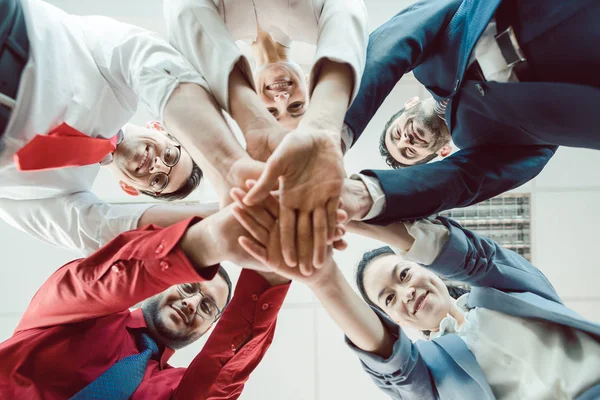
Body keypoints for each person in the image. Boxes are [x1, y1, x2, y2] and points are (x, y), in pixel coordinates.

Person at [232, 191, 600, 399]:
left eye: (404, 274)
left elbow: (476, 258)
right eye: (389, 299)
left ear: (427, 269)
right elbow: (391, 364)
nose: (406, 294)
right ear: (397, 320)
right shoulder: (430, 372)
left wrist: (343, 215)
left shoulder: (503, 292)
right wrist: (322, 276)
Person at [0, 0, 262, 255]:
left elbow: (95, 229)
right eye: (170, 155)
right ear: (160, 127)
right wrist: (228, 166)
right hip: (12, 28)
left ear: (129, 189)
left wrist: (220, 216)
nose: (158, 166)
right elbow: (148, 59)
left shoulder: (68, 194)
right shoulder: (120, 91)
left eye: (159, 180)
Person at [0, 199, 291, 399]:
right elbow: (104, 281)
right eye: (189, 288)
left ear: (210, 327)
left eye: (206, 307)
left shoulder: (175, 389)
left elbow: (222, 377)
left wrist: (273, 267)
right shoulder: (80, 310)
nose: (191, 303)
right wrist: (209, 242)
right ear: (163, 285)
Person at [342, 0, 600, 226]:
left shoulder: (427, 61)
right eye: (409, 152)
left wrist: (335, 133)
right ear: (442, 152)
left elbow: (392, 42)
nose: (405, 140)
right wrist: (367, 193)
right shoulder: (487, 148)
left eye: (396, 133)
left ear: (409, 103)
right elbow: (462, 182)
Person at [165, 0, 369, 271]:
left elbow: (183, 8)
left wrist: (254, 123)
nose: (282, 97)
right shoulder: (316, 14)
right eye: (297, 107)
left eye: (271, 112)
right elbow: (347, 9)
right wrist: (322, 127)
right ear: (310, 86)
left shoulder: (210, 27)